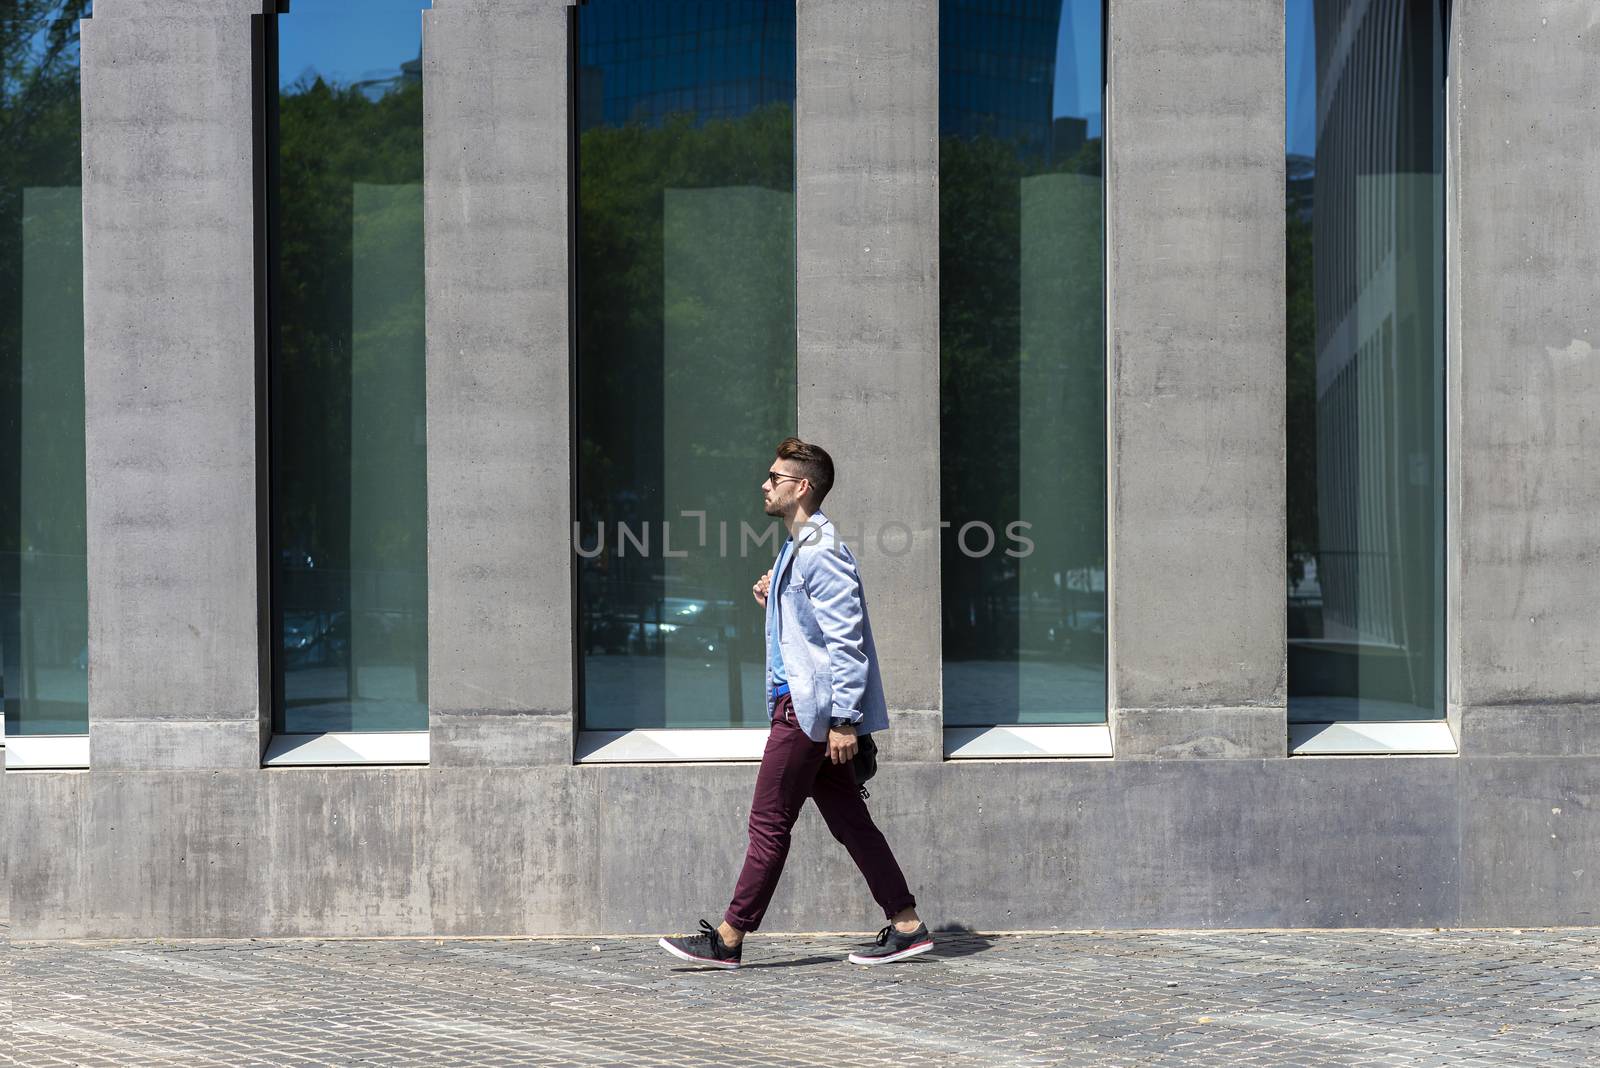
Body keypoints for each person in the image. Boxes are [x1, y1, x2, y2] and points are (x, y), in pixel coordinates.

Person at [659, 437, 933, 969]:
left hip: (809, 715)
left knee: (768, 821)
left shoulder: (820, 550)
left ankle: (729, 938)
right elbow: (811, 630)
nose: (765, 485)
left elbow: (846, 641)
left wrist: (846, 721)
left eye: (775, 477)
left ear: (801, 486)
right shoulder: (799, 546)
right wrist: (776, 594)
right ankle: (907, 926)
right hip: (812, 710)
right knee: (852, 821)